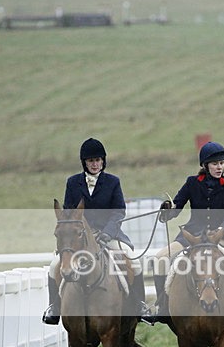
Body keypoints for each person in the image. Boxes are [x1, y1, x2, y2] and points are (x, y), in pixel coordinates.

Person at [144, 141, 224, 326]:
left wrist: (223, 229)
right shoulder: (192, 182)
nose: (220, 167)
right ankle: (161, 306)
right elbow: (178, 206)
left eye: (222, 163)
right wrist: (167, 210)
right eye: (215, 164)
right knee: (161, 257)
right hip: (194, 235)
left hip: (223, 236)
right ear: (205, 165)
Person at [43, 137, 151, 324]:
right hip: (78, 237)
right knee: (54, 266)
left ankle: (140, 304)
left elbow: (118, 211)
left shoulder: (112, 182)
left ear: (103, 161)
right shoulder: (72, 183)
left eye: (98, 160)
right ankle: (54, 307)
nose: (95, 164)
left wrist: (107, 232)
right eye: (91, 160)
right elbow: (68, 211)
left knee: (134, 263)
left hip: (107, 235)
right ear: (84, 162)